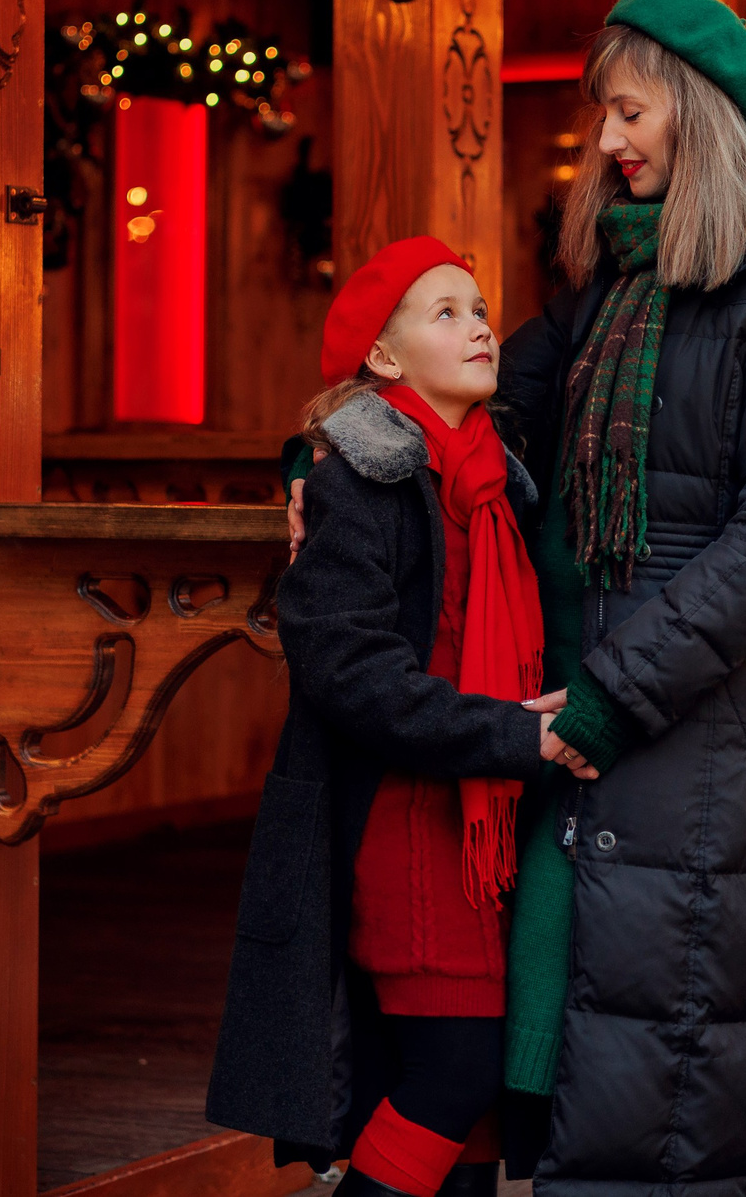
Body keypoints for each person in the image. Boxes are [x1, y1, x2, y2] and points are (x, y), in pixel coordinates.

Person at [492, 0, 746, 1197]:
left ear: (695, 114)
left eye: (628, 109)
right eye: (604, 112)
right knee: (578, 1067)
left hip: (699, 734)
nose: (608, 139)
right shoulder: (609, 287)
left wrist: (612, 697)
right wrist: (341, 455)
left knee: (683, 1084)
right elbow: (471, 406)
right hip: (578, 717)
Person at [207, 236, 599, 1197]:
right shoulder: (359, 477)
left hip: (485, 816)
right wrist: (520, 734)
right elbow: (349, 672)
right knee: (454, 1072)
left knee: (463, 1101)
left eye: (478, 307)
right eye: (447, 312)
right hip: (411, 824)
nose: (478, 327)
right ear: (384, 360)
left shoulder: (497, 472)